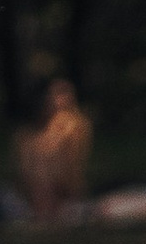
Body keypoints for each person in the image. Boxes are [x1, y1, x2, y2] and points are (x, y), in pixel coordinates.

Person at [12, 76, 94, 222]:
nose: (64, 100)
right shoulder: (26, 136)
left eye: (66, 93)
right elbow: (24, 173)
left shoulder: (74, 126)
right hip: (37, 198)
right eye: (57, 94)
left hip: (62, 197)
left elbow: (71, 172)